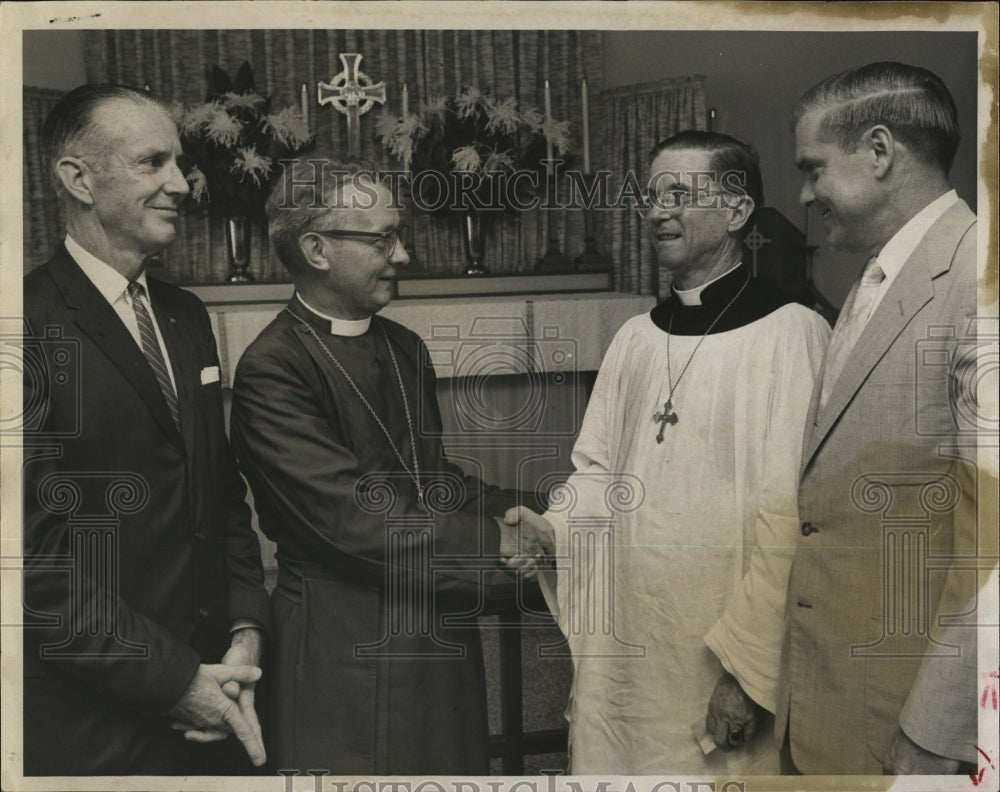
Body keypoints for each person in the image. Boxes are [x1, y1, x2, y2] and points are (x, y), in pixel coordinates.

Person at [507, 131, 831, 773]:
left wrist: (749, 672)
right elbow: (596, 473)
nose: (656, 211)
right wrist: (553, 530)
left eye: (679, 194)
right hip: (626, 640)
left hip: (719, 645)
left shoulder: (792, 334)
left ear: (737, 212)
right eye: (651, 196)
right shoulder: (633, 338)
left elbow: (791, 518)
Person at [228, 157, 549, 775]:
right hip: (342, 643)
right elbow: (351, 522)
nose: (402, 254)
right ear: (316, 248)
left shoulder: (405, 347)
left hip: (434, 620)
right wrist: (506, 547)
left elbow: (435, 484)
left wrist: (544, 509)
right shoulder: (274, 366)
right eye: (382, 239)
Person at [22, 84, 271, 775]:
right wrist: (173, 683)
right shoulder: (24, 326)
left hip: (224, 691)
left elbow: (220, 496)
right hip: (93, 726)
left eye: (181, 162)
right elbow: (30, 566)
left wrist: (247, 632)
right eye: (152, 162)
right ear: (77, 178)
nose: (182, 183)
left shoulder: (186, 316)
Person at [777, 61, 984, 775]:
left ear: (878, 151)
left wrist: (936, 737)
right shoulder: (874, 275)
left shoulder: (976, 278)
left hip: (908, 729)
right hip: (832, 705)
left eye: (812, 169)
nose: (803, 195)